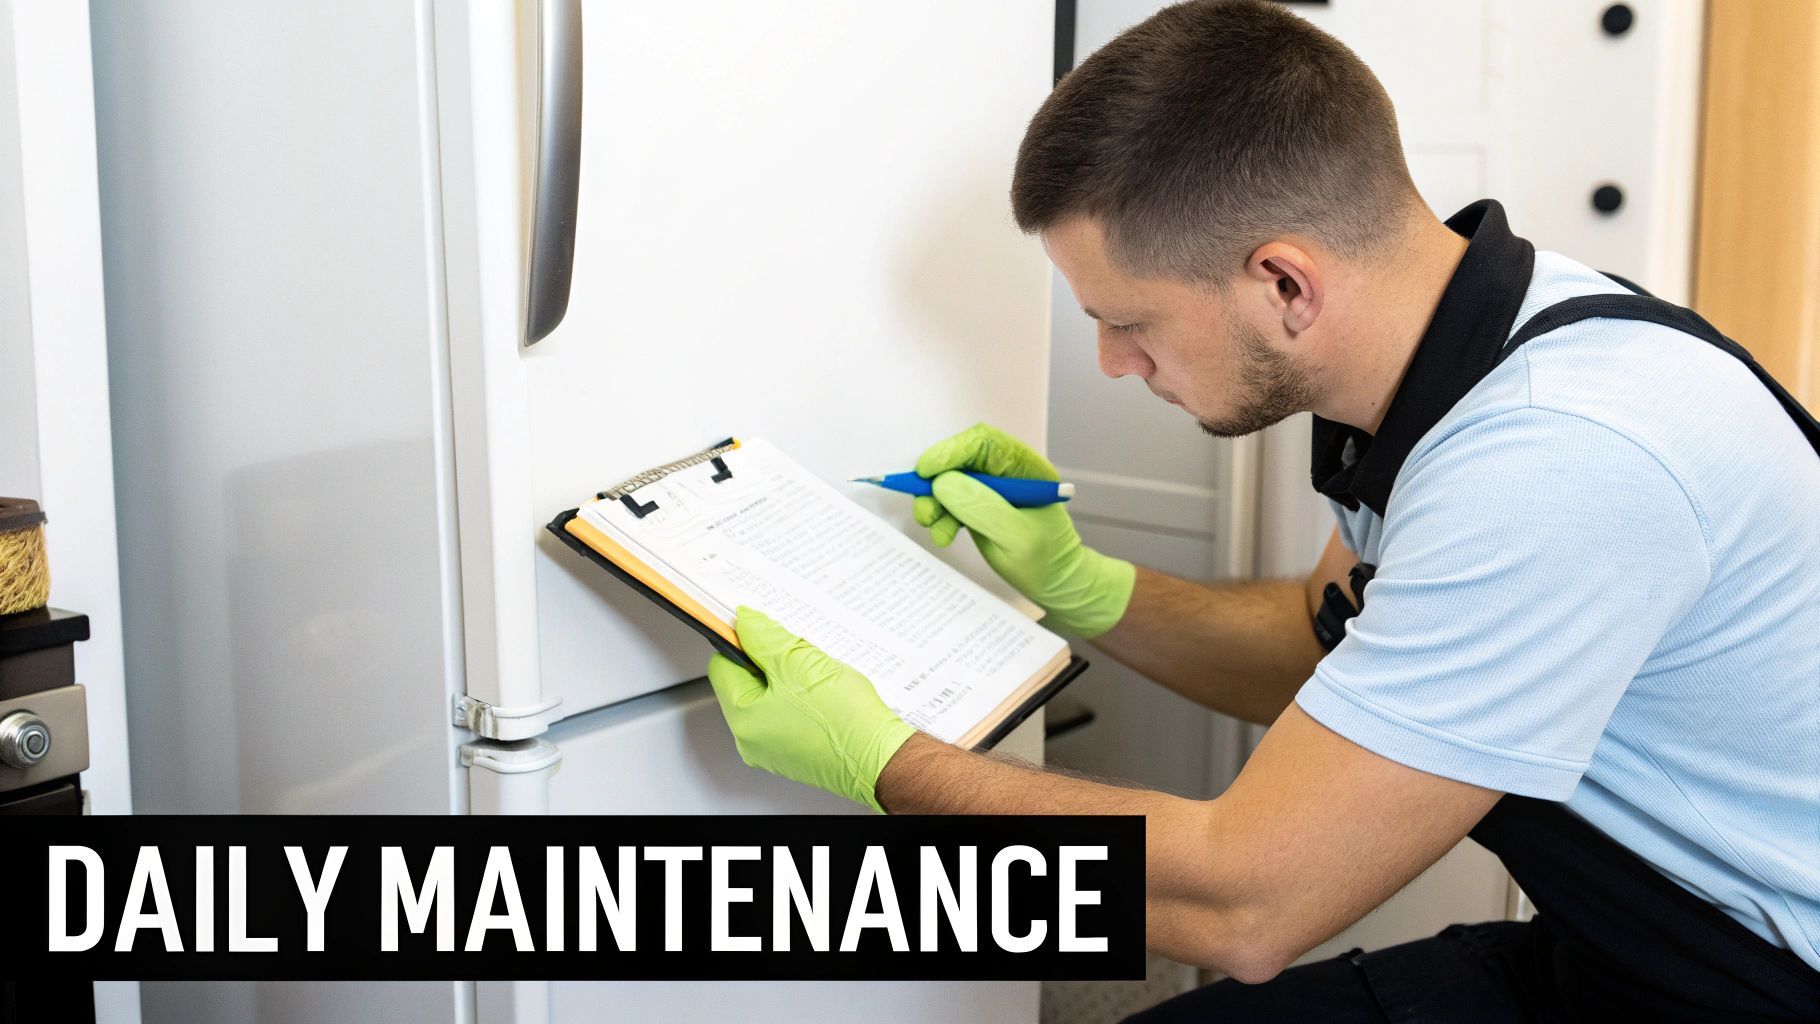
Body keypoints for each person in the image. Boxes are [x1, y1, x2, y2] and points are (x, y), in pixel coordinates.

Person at [704, 1, 1820, 1019]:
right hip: (1625, 949)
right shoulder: (1467, 346)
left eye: (1128, 320)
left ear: (1284, 283)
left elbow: (1244, 908)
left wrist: (885, 762)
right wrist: (1080, 584)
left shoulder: (1557, 460)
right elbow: (1315, 641)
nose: (1108, 361)